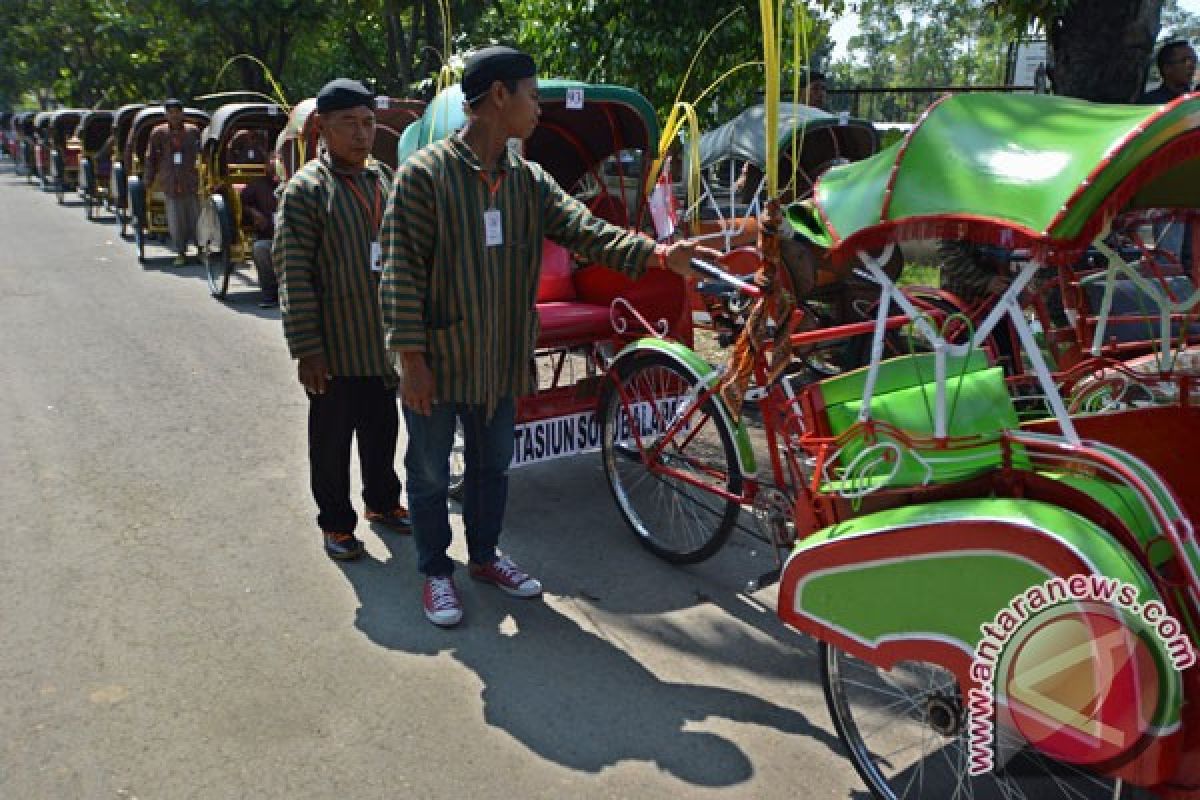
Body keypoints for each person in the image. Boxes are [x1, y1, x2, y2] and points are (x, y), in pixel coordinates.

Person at [380, 46, 717, 628]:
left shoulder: (529, 182)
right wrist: (410, 359)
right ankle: (436, 571)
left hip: (504, 359)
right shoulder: (424, 176)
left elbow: (588, 233)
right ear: (498, 96)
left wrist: (661, 255)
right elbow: (400, 272)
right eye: (532, 95)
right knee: (431, 472)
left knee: (493, 468)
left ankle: (484, 558)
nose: (538, 107)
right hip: (439, 358)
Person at [273, 78, 410, 561]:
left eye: (369, 122)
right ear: (324, 129)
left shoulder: (385, 180)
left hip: (381, 341)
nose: (361, 133)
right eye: (349, 123)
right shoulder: (307, 191)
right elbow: (293, 274)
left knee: (382, 430)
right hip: (332, 347)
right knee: (330, 443)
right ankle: (335, 523)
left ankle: (383, 503)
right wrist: (306, 348)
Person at [144, 98, 201, 266]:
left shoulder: (193, 131)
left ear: (182, 113)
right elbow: (151, 157)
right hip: (170, 181)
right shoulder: (158, 133)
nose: (174, 115)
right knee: (176, 220)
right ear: (166, 114)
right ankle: (180, 252)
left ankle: (201, 250)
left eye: (177, 111)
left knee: (196, 218)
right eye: (171, 112)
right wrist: (148, 178)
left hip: (191, 180)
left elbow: (201, 153)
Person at [238, 149, 280, 307]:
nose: (275, 163)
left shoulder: (295, 181)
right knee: (260, 248)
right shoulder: (257, 184)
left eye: (279, 159)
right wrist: (254, 213)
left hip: (293, 238)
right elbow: (242, 202)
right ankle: (270, 294)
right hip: (268, 237)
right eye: (272, 159)